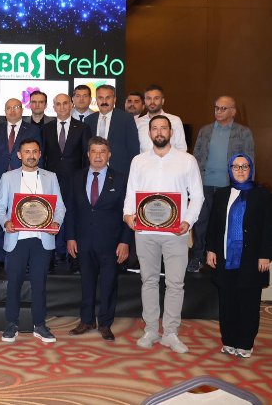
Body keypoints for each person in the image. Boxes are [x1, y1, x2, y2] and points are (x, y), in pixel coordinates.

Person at [124, 115, 204, 354]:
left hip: (176, 233)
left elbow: (197, 196)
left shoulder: (187, 161)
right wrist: (128, 215)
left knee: (175, 283)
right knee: (148, 281)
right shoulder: (138, 161)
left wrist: (188, 221)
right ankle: (151, 330)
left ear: (171, 132)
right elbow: (131, 191)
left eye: (163, 128)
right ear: (149, 133)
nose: (159, 132)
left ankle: (170, 333)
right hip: (144, 231)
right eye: (155, 128)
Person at [0, 138, 65, 344]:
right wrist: (6, 222)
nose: (31, 155)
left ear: (40, 154)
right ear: (19, 155)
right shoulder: (7, 177)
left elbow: (60, 207)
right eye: (27, 151)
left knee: (39, 284)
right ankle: (11, 324)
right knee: (14, 283)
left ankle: (40, 325)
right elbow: (0, 208)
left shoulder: (50, 177)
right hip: (17, 238)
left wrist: (56, 222)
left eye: (35, 151)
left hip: (41, 239)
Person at [64, 137, 131, 341]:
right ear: (88, 154)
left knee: (109, 284)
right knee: (86, 282)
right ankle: (86, 321)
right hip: (83, 241)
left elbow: (128, 212)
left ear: (109, 155)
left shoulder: (121, 179)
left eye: (102, 151)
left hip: (111, 242)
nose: (98, 156)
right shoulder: (77, 177)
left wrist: (125, 241)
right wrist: (70, 237)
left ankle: (105, 323)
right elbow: (71, 209)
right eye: (94, 151)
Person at [206, 154, 271, 358]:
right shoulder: (222, 194)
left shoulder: (262, 195)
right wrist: (211, 249)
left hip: (252, 259)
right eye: (236, 167)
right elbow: (214, 225)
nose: (240, 170)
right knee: (227, 303)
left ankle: (245, 343)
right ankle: (229, 341)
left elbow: (268, 227)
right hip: (226, 258)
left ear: (251, 169)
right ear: (230, 170)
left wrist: (266, 255)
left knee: (248, 303)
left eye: (244, 166)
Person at [190, 96, 255, 273]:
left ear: (233, 111)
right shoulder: (205, 131)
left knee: (224, 224)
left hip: (229, 187)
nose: (218, 111)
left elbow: (249, 161)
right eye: (216, 108)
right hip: (204, 185)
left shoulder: (243, 132)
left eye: (223, 108)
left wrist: (248, 189)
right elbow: (196, 157)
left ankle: (221, 258)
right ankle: (197, 257)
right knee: (200, 223)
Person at [0, 98, 42, 271]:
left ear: (22, 110)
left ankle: (24, 257)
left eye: (16, 107)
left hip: (24, 181)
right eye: (9, 108)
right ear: (5, 111)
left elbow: (38, 155)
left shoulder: (32, 129)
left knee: (24, 216)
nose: (12, 110)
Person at [41, 93, 92, 270]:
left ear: (71, 105)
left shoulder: (83, 127)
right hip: (51, 180)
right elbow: (43, 156)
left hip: (75, 180)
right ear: (53, 107)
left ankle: (71, 256)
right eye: (58, 104)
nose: (62, 107)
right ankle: (53, 254)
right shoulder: (46, 128)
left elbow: (86, 157)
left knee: (72, 216)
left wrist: (85, 180)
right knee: (51, 215)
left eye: (65, 103)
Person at [84, 84, 139, 175]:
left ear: (114, 99)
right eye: (100, 98)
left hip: (119, 172)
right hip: (94, 172)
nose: (104, 101)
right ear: (96, 99)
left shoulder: (126, 119)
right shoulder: (89, 120)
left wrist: (133, 172)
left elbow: (133, 148)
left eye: (108, 98)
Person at [135, 85, 187, 153]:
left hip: (171, 160)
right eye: (149, 98)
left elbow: (182, 148)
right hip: (145, 159)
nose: (152, 102)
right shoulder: (137, 123)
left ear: (162, 101)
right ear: (144, 101)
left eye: (156, 98)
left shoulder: (175, 121)